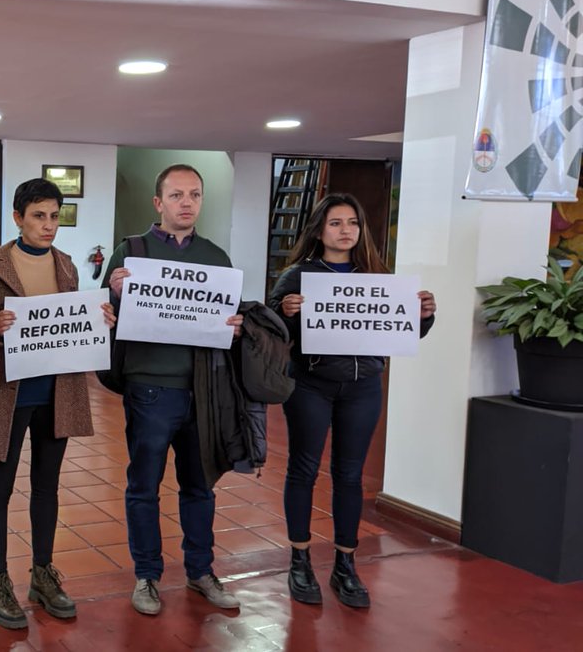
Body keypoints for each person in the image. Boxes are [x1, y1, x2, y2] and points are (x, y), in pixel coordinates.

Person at [0, 178, 116, 629]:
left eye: (54, 216)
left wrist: (100, 319)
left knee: (48, 486)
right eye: (38, 217)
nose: (48, 226)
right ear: (18, 218)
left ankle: (43, 573)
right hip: (6, 394)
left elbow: (73, 326)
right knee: (0, 487)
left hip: (56, 391)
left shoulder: (66, 265)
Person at [268, 193, 436, 609]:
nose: (345, 231)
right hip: (311, 384)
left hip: (363, 388)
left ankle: (346, 564)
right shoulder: (299, 276)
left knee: (350, 475)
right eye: (336, 223)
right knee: (303, 469)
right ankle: (300, 560)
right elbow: (269, 329)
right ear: (319, 230)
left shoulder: (379, 278)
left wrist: (424, 316)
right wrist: (286, 311)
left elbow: (403, 333)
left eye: (353, 223)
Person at [102, 164, 244, 615]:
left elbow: (228, 319)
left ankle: (201, 571)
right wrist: (115, 294)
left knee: (200, 487)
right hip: (150, 387)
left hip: (205, 390)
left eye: (195, 195)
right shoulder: (131, 251)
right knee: (144, 485)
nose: (187, 203)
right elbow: (102, 315)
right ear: (158, 203)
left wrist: (237, 327)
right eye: (177, 195)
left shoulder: (217, 258)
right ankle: (147, 576)